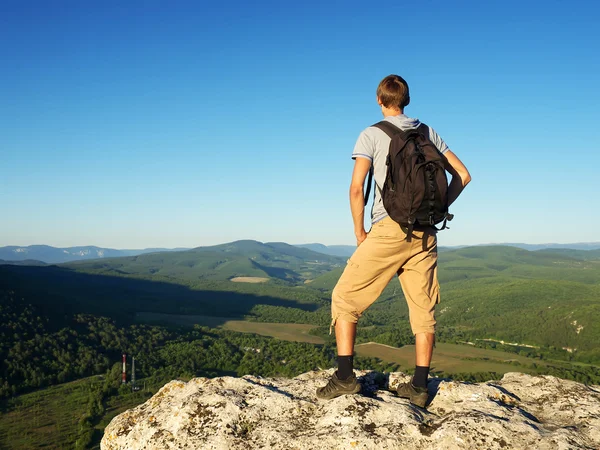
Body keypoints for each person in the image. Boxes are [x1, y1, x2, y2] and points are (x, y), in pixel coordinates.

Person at [316, 74, 471, 407]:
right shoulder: (428, 133)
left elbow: (357, 188)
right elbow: (463, 175)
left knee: (344, 297)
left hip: (389, 228)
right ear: (407, 100)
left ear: (379, 100)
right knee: (423, 308)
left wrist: (360, 232)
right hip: (426, 233)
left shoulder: (372, 134)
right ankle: (418, 387)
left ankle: (344, 377)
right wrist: (439, 210)